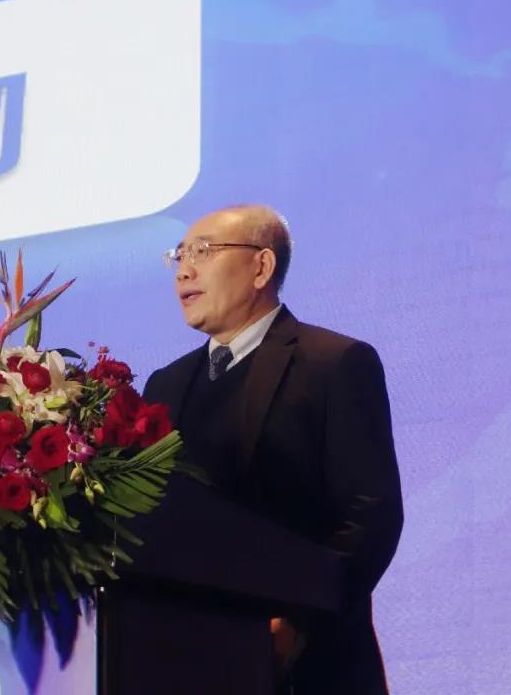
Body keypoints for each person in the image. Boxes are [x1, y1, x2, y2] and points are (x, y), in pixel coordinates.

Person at [142, 204, 404, 694]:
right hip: (189, 661)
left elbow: (370, 514)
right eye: (179, 255)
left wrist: (297, 624)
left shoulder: (334, 363)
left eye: (203, 251)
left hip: (311, 664)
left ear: (261, 266)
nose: (183, 270)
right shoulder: (165, 386)